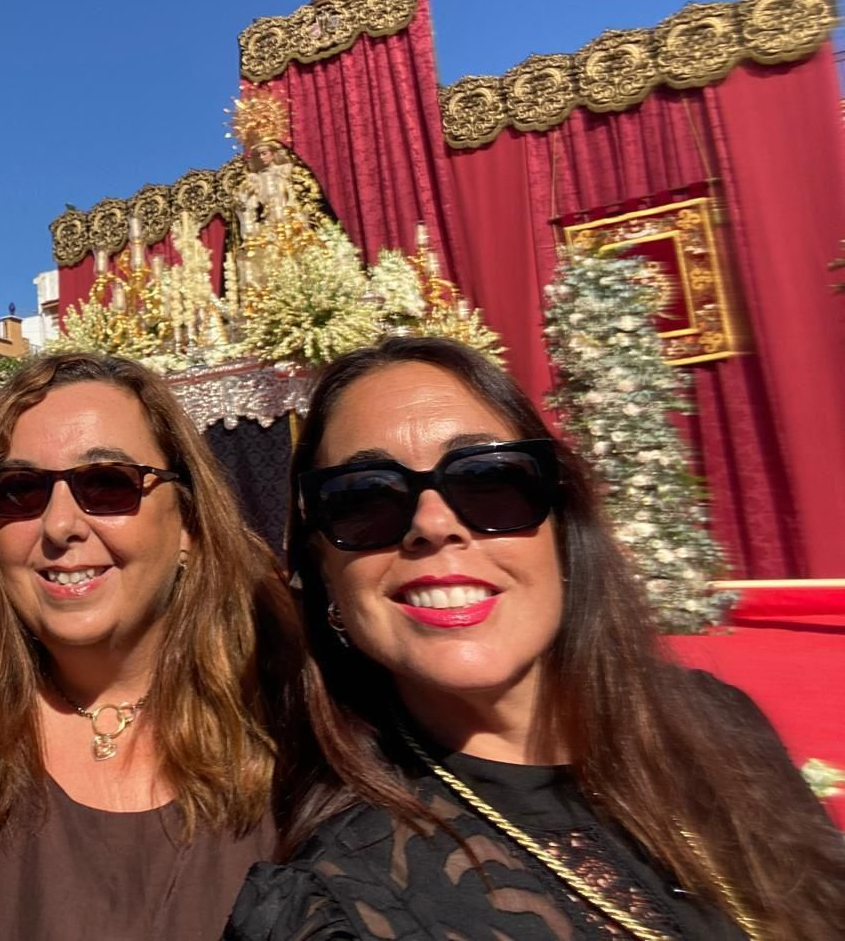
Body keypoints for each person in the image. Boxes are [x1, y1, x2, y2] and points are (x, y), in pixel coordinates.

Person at [226, 336, 845, 941]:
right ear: (326, 575)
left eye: (488, 479)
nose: (433, 524)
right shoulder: (340, 903)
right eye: (363, 497)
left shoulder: (717, 722)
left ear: (562, 525)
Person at [0, 352, 310, 941]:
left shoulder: (295, 737)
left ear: (187, 523)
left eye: (107, 484)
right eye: (20, 490)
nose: (60, 526)